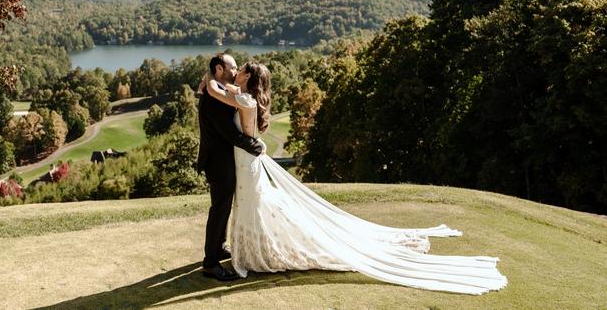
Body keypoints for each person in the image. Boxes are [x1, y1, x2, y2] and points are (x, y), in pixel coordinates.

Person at [198, 59, 508, 295]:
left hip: (245, 162)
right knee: (251, 207)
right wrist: (217, 84)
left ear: (247, 77)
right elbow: (223, 92)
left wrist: (211, 83)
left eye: (239, 70)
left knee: (252, 206)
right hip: (243, 162)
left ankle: (251, 253)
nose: (235, 72)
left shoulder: (243, 99)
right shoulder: (246, 96)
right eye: (232, 68)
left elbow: (217, 92)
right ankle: (240, 250)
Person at [197, 53, 264, 281]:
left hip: (225, 159)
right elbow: (230, 133)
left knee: (224, 206)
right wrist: (253, 145)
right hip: (217, 161)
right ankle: (210, 263)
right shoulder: (214, 96)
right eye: (232, 67)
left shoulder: (221, 91)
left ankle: (217, 248)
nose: (235, 71)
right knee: (219, 208)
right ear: (219, 69)